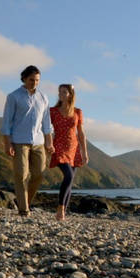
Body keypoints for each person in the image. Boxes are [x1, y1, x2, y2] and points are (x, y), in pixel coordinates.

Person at [0, 65, 54, 217]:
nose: (34, 83)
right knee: (21, 175)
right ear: (24, 78)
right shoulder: (13, 96)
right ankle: (24, 210)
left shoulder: (43, 97)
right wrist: (7, 144)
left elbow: (47, 123)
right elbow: (6, 122)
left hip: (38, 142)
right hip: (19, 141)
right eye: (31, 80)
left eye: (37, 80)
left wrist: (49, 142)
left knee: (39, 174)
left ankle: (24, 202)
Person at [49, 83, 89, 220]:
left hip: (73, 148)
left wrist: (84, 152)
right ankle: (60, 207)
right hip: (59, 146)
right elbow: (46, 128)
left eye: (64, 92)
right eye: (59, 92)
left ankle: (63, 212)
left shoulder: (78, 112)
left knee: (70, 181)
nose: (60, 94)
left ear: (70, 95)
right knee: (69, 176)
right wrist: (48, 143)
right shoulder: (52, 111)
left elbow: (81, 133)